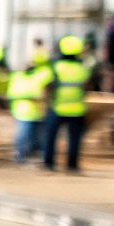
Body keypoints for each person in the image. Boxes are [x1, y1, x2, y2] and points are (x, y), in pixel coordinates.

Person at [43, 35, 95, 173]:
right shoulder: (83, 69)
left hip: (58, 107)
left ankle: (49, 163)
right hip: (77, 108)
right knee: (75, 139)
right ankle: (72, 166)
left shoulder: (56, 67)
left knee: (50, 136)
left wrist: (46, 103)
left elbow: (48, 87)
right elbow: (87, 86)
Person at [6, 53, 51, 165]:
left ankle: (28, 156)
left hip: (34, 111)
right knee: (25, 136)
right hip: (25, 111)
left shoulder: (38, 75)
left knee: (34, 137)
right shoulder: (20, 77)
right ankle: (21, 157)